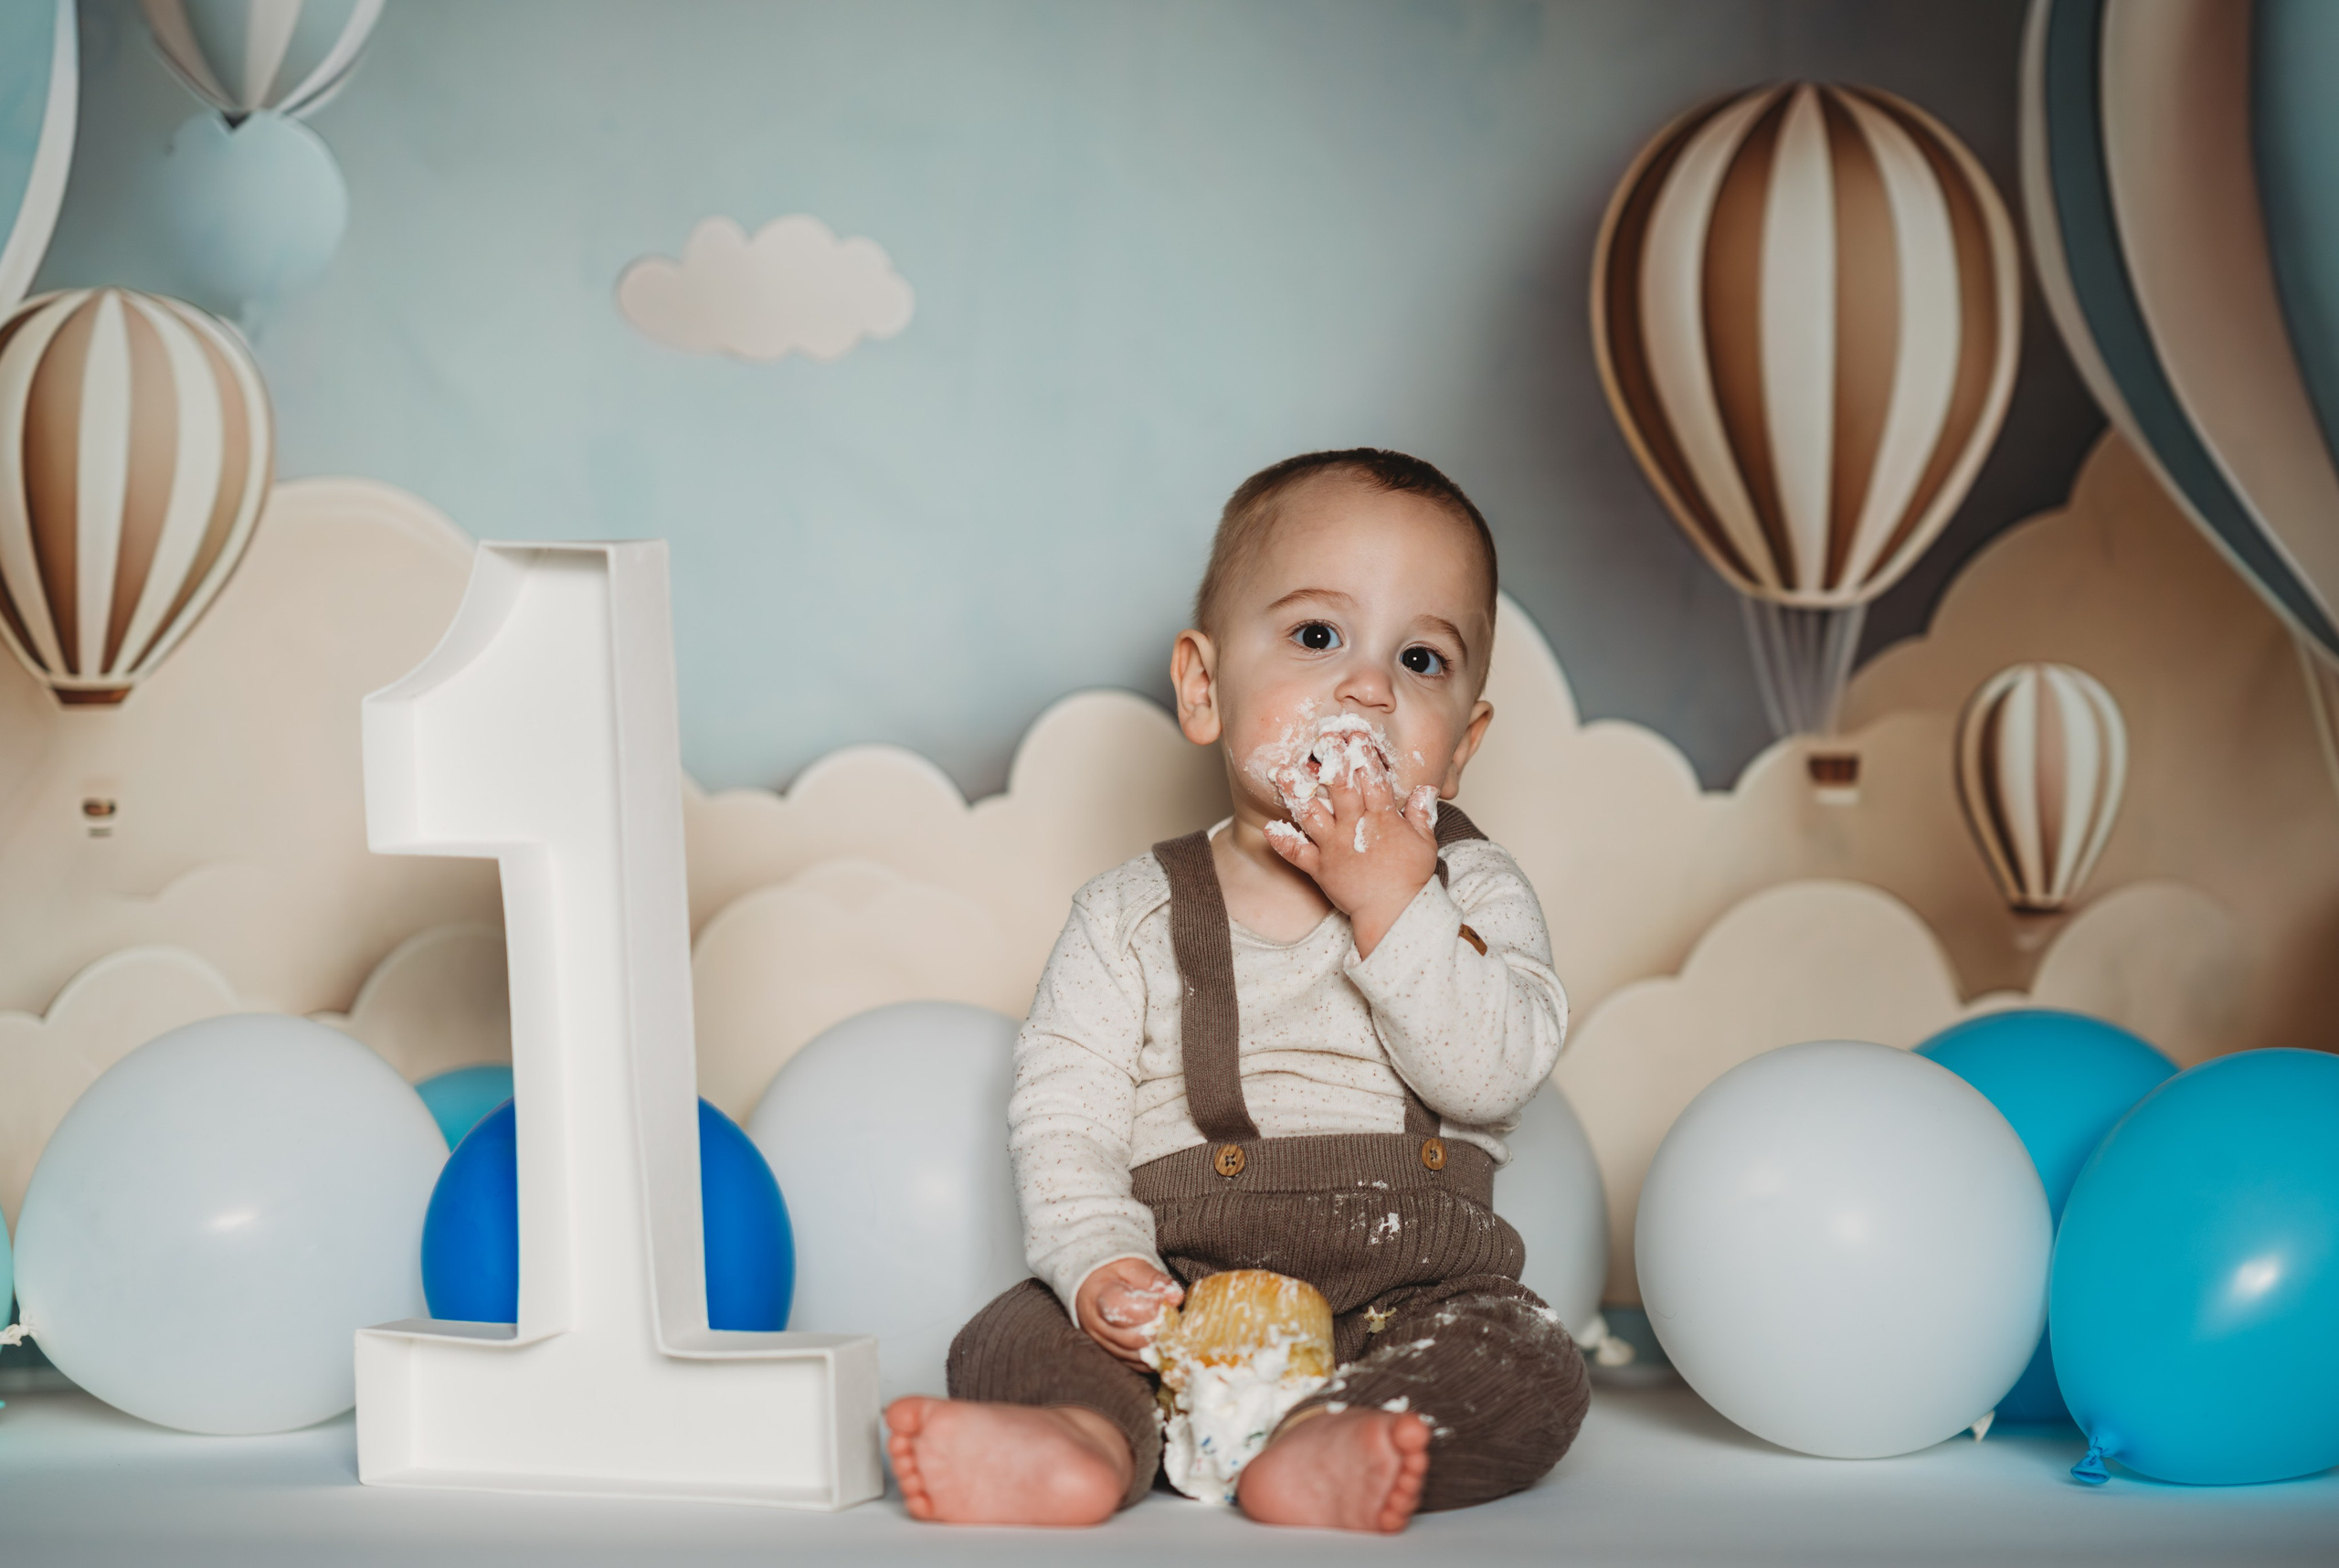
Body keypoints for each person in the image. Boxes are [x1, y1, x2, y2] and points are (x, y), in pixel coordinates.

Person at [884, 449, 1587, 1531]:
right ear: (1205, 688)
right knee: (1011, 1331)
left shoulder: (1474, 888)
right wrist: (1099, 1263)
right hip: (1180, 1285)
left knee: (1527, 1357)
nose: (1369, 686)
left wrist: (1394, 900)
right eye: (1318, 637)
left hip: (1413, 1292)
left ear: (1459, 751)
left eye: (1420, 659)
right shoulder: (1129, 913)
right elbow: (1063, 1114)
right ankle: (1076, 1441)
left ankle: (1328, 1443)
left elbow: (1490, 1076)